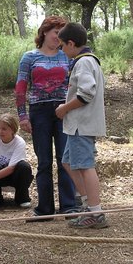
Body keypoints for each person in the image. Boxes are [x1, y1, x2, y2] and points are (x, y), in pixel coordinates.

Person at [15, 16, 77, 221]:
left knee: (64, 159)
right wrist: (22, 116)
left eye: (62, 35)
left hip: (63, 111)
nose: (58, 38)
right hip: (38, 111)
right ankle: (44, 209)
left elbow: (74, 86)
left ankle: (69, 206)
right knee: (43, 161)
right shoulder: (29, 57)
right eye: (56, 33)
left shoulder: (67, 57)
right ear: (44, 32)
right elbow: (21, 87)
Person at [55, 22, 108, 229]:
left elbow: (86, 93)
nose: (61, 50)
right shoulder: (88, 61)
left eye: (62, 46)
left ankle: (96, 212)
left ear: (71, 43)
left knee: (86, 166)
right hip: (78, 125)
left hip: (81, 124)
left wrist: (65, 108)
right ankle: (88, 205)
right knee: (68, 161)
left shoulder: (84, 62)